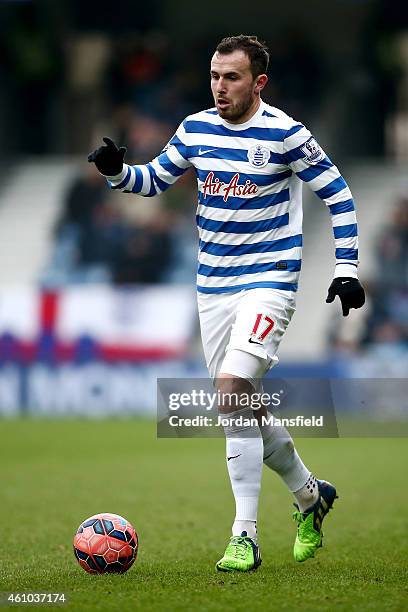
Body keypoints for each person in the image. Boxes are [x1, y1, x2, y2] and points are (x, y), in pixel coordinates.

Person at [88, 35, 365, 572]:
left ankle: (245, 535)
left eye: (232, 77)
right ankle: (310, 495)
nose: (220, 86)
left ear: (258, 82)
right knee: (239, 405)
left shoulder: (285, 134)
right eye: (215, 76)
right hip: (213, 287)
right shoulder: (194, 129)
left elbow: (339, 194)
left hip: (270, 281)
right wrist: (117, 171)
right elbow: (153, 181)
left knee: (232, 389)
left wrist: (348, 268)